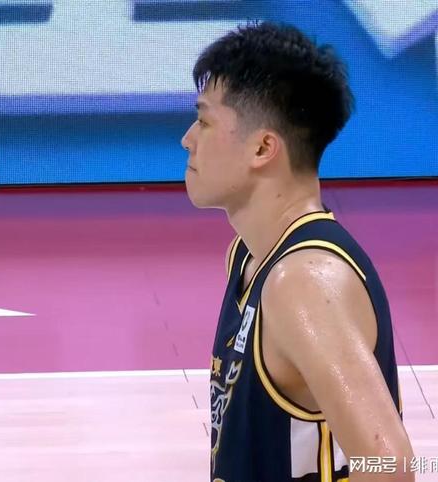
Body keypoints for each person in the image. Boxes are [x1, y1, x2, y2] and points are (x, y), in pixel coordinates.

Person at [181, 21, 415, 482]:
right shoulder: (249, 257)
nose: (188, 137)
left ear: (263, 147)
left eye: (204, 121)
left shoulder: (303, 281)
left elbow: (390, 467)